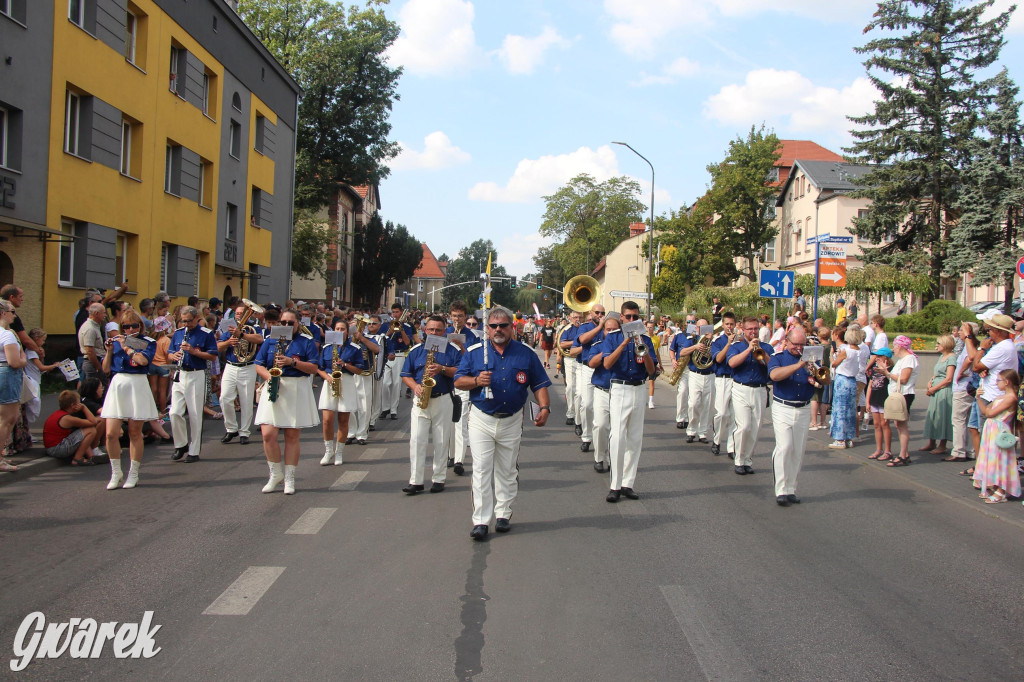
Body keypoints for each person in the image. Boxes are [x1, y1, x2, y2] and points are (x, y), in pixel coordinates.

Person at [453, 306, 551, 541]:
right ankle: (480, 520)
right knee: (482, 469)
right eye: (493, 326)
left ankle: (503, 513)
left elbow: (538, 384)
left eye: (503, 325)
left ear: (511, 327)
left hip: (511, 419)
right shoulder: (476, 352)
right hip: (481, 418)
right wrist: (477, 380)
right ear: (487, 329)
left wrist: (545, 408)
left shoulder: (526, 353)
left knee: (507, 469)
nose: (498, 329)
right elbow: (458, 381)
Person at [254, 308, 320, 495]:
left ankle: (289, 478)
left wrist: (292, 362)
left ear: (298, 323)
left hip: (295, 387)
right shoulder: (270, 340)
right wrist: (269, 376)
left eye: (290, 323)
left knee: (291, 436)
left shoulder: (306, 342)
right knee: (268, 434)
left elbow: (313, 368)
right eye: (283, 322)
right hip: (274, 385)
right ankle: (275, 473)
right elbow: (259, 364)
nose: (286, 326)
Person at [598, 302, 656, 502]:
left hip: (639, 388)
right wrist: (624, 343)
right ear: (621, 318)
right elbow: (606, 364)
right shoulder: (613, 337)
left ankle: (628, 484)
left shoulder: (646, 339)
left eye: (635, 317)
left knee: (635, 438)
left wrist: (644, 350)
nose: (632, 320)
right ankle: (614, 485)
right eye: (628, 317)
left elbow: (651, 371)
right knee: (617, 437)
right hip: (620, 387)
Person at [401, 315, 460, 494]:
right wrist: (415, 386)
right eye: (431, 329)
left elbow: (460, 373)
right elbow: (406, 374)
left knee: (441, 440)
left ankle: (439, 478)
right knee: (417, 440)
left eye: (438, 330)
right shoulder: (416, 350)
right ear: (425, 330)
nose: (434, 333)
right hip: (421, 399)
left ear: (445, 332)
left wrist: (442, 369)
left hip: (443, 398)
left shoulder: (453, 350)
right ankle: (416, 480)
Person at [100, 311, 159, 489]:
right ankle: (116, 472)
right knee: (110, 433)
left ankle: (133, 473)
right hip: (118, 383)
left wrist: (127, 347)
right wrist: (109, 351)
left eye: (134, 326)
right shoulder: (117, 341)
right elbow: (105, 369)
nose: (130, 329)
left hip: (137, 383)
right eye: (126, 326)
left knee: (134, 432)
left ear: (140, 326)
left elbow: (142, 361)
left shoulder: (147, 342)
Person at [768, 326, 825, 506]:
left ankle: (791, 488)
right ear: (786, 342)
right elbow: (775, 375)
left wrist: (817, 371)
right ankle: (781, 490)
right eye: (796, 344)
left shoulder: (812, 358)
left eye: (802, 344)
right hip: (783, 406)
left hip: (803, 408)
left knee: (798, 450)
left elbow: (826, 379)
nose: (799, 348)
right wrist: (799, 365)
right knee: (784, 447)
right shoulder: (778, 358)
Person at [167, 306, 218, 463]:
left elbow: (212, 356)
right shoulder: (178, 334)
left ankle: (194, 450)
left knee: (195, 414)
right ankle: (180, 444)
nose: (186, 324)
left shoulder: (206, 334)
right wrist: (173, 355)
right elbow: (169, 353)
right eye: (183, 321)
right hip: (180, 373)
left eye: (189, 321)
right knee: (174, 412)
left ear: (196, 319)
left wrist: (195, 352)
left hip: (197, 373)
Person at [317, 319, 367, 467]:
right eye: (337, 329)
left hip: (346, 382)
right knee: (327, 420)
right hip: (330, 382)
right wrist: (327, 377)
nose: (339, 331)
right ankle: (328, 451)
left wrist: (344, 364)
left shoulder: (354, 348)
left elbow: (359, 370)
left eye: (342, 329)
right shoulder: (327, 347)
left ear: (347, 331)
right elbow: (319, 367)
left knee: (344, 420)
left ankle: (339, 451)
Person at [727, 316, 773, 475]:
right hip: (741, 388)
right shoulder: (737, 346)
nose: (753, 332)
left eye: (756, 329)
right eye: (750, 329)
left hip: (760, 390)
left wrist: (761, 351)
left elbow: (772, 366)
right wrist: (749, 349)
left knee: (756, 428)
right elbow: (732, 363)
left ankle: (747, 460)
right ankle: (738, 460)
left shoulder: (767, 347)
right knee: (744, 426)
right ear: (743, 330)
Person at [218, 303, 265, 446]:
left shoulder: (253, 327)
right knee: (224, 398)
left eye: (241, 314)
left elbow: (259, 340)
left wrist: (242, 335)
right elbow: (217, 346)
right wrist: (228, 342)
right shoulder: (230, 328)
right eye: (237, 314)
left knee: (245, 400)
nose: (238, 316)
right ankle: (231, 428)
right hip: (231, 366)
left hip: (247, 366)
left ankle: (244, 432)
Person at [972, 369, 1021, 503]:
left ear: (1007, 382)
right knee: (991, 458)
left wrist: (988, 409)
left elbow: (990, 413)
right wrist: (978, 398)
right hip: (991, 429)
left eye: (998, 380)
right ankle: (994, 484)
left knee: (1000, 459)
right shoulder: (1001, 397)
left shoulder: (1010, 398)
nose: (996, 383)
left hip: (1000, 430)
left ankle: (1002, 489)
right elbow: (986, 411)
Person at [878, 335, 920, 467]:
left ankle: (903, 455)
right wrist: (885, 372)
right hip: (898, 394)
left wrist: (887, 373)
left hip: (904, 394)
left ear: (900, 346)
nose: (893, 349)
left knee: (902, 425)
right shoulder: (903, 359)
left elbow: (904, 379)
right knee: (898, 424)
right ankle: (904, 453)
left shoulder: (909, 359)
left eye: (895, 346)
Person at [572, 305, 606, 452]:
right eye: (597, 312)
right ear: (591, 314)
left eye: (602, 313)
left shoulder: (608, 328)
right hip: (587, 368)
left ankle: (601, 436)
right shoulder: (585, 327)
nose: (600, 315)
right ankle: (586, 436)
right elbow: (583, 340)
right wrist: (599, 328)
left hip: (604, 368)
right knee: (586, 404)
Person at [588, 313, 619, 473]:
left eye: (615, 330)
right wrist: (607, 352)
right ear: (604, 331)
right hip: (602, 390)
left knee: (618, 429)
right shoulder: (599, 344)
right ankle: (600, 458)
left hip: (620, 392)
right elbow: (591, 363)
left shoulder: (624, 345)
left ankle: (614, 458)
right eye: (608, 330)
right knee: (600, 425)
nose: (611, 332)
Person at [446, 301, 474, 475]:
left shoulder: (472, 335)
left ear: (465, 317)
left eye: (460, 316)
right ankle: (450, 454)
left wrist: (461, 347)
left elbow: (472, 360)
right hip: (446, 380)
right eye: (454, 316)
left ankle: (459, 460)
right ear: (450, 316)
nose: (457, 319)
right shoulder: (444, 332)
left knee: (460, 422)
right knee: (448, 421)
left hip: (463, 381)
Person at [918, 334, 956, 455]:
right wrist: (931, 381)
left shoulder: (951, 358)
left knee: (942, 416)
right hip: (935, 389)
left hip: (944, 390)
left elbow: (949, 378)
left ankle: (942, 444)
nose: (936, 346)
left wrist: (935, 388)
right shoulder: (941, 357)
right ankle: (931, 441)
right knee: (933, 414)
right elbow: (937, 373)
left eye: (938, 343)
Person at [0, 300, 27, 472]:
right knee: (7, 420)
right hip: (7, 375)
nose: (14, 315)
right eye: (12, 311)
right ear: (3, 313)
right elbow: (14, 362)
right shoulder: (7, 335)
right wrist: (23, 358)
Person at [42, 390, 102, 465]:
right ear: (73, 405)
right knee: (91, 430)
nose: (80, 404)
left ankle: (91, 456)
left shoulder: (59, 414)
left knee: (82, 433)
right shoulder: (68, 419)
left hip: (51, 448)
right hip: (57, 449)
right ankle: (77, 458)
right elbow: (93, 422)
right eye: (79, 402)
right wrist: (84, 407)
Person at [947, 323, 979, 463]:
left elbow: (970, 358)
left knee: (959, 419)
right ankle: (970, 450)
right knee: (968, 421)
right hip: (966, 387)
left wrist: (960, 372)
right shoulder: (971, 344)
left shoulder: (969, 344)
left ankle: (959, 451)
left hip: (963, 388)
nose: (958, 332)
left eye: (961, 329)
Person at [348, 316, 380, 445]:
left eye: (359, 326)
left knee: (365, 406)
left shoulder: (370, 338)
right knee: (349, 406)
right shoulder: (347, 340)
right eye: (355, 326)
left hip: (365, 373)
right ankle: (351, 432)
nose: (357, 328)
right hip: (349, 373)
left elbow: (377, 350)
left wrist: (361, 338)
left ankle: (362, 433)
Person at [380, 304, 417, 420]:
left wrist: (401, 330)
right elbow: (381, 340)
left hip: (400, 355)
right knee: (385, 383)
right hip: (387, 355)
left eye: (397, 312)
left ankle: (393, 410)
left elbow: (407, 343)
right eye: (393, 312)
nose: (395, 314)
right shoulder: (386, 325)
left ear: (402, 313)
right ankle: (385, 408)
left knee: (396, 384)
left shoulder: (406, 326)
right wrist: (390, 332)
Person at [683, 318, 716, 444]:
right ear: (697, 329)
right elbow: (682, 352)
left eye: (706, 327)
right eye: (701, 328)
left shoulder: (714, 341)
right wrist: (695, 347)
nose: (704, 330)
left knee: (707, 405)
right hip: (695, 374)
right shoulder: (691, 340)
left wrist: (711, 342)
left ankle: (702, 432)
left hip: (710, 374)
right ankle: (691, 430)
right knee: (693, 404)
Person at [710, 312, 737, 457]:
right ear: (723, 325)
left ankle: (731, 447)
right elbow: (719, 359)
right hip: (723, 379)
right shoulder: (718, 341)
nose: (729, 327)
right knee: (721, 413)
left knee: (735, 415)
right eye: (727, 324)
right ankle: (717, 440)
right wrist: (728, 344)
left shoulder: (740, 340)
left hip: (737, 380)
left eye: (732, 324)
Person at [828, 329, 860, 448]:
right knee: (850, 409)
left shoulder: (846, 351)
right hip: (852, 380)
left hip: (843, 379)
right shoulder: (858, 350)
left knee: (840, 408)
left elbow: (834, 364)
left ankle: (840, 439)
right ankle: (849, 437)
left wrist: (831, 354)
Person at [866, 348, 894, 460]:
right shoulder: (874, 369)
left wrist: (885, 370)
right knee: (877, 424)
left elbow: (892, 381)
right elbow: (870, 385)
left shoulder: (891, 369)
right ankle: (879, 449)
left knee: (885, 424)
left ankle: (888, 450)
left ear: (885, 357)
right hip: (874, 399)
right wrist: (867, 401)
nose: (876, 358)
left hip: (884, 399)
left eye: (879, 356)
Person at [558, 311, 583, 430]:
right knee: (570, 387)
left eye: (580, 317)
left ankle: (579, 414)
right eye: (575, 317)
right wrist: (577, 342)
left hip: (582, 360)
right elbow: (562, 344)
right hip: (570, 359)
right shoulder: (567, 329)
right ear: (570, 318)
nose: (578, 319)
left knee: (580, 390)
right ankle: (570, 413)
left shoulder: (585, 328)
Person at [78, 303, 108, 385]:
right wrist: (98, 367)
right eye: (103, 312)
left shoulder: (95, 326)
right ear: (96, 313)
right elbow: (90, 351)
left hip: (95, 361)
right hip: (93, 363)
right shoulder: (90, 328)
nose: (105, 315)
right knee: (97, 389)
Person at [667, 322, 690, 429]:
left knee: (694, 397)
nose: (690, 324)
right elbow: (672, 350)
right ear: (685, 323)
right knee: (683, 392)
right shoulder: (679, 336)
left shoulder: (699, 337)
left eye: (693, 322)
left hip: (695, 367)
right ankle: (681, 418)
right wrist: (673, 360)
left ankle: (689, 418)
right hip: (683, 367)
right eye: (688, 322)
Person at [646, 320, 662, 408]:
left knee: (651, 381)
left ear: (654, 328)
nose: (649, 329)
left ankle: (651, 401)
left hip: (653, 361)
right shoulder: (643, 337)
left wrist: (660, 363)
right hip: (643, 361)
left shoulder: (656, 338)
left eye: (651, 327)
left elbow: (657, 352)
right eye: (648, 327)